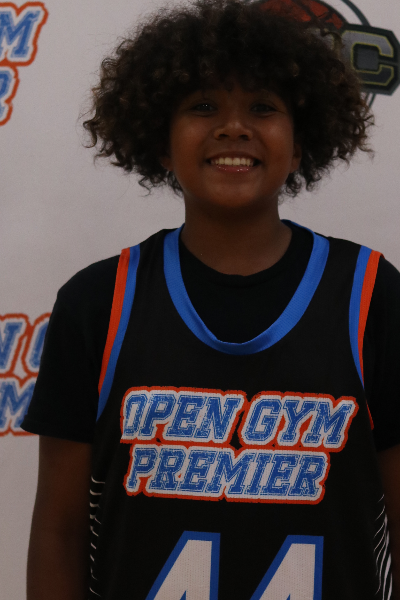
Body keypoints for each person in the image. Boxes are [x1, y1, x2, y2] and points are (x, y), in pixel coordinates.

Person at [21, 0, 400, 598]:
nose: (233, 127)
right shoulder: (98, 301)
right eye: (202, 107)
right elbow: (58, 531)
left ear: (299, 144)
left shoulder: (371, 295)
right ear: (161, 143)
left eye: (263, 107)